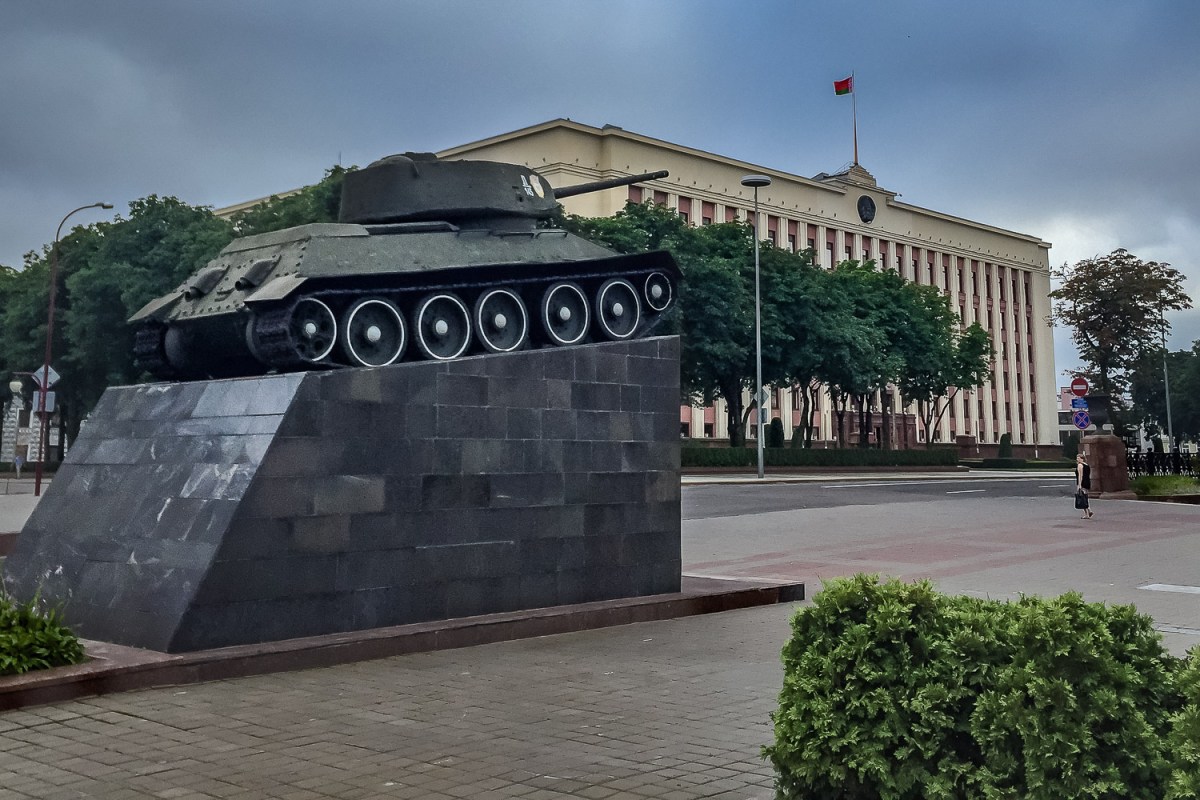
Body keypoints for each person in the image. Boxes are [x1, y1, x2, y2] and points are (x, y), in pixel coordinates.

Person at [1075, 452, 1093, 519]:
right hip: (1087, 482)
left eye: (1079, 458)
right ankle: (1089, 511)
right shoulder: (1086, 465)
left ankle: (1087, 513)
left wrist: (1079, 485)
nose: (1077, 459)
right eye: (1077, 458)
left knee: (1082, 498)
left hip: (1082, 483)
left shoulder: (1080, 465)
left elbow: (1080, 475)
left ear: (1082, 459)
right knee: (1085, 497)